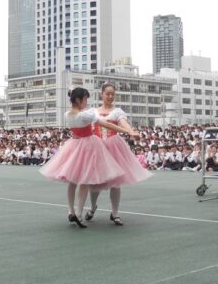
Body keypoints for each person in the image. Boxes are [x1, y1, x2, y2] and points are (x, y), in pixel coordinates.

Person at [40, 87, 137, 228]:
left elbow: (115, 122)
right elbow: (106, 124)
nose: (110, 96)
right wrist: (128, 132)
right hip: (91, 146)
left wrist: (128, 130)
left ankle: (75, 211)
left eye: (112, 94)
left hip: (85, 145)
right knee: (88, 182)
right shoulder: (88, 114)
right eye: (85, 99)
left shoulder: (70, 114)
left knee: (78, 181)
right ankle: (83, 211)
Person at [86, 83, 152, 226]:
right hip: (97, 147)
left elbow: (124, 123)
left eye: (112, 94)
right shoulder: (93, 111)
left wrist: (131, 131)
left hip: (113, 147)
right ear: (101, 94)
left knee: (116, 182)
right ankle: (92, 208)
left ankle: (115, 213)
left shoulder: (117, 111)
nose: (110, 96)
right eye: (107, 93)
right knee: (96, 181)